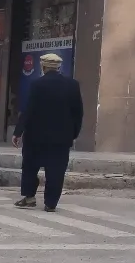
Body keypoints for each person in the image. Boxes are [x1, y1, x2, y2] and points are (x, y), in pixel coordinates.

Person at [12, 51, 84, 211]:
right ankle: (50, 203)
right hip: (61, 138)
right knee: (56, 171)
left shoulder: (37, 84)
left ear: (43, 67)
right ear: (59, 67)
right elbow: (78, 113)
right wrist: (73, 134)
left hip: (35, 137)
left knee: (30, 167)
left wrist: (18, 132)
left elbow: (28, 110)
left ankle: (29, 197)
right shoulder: (73, 85)